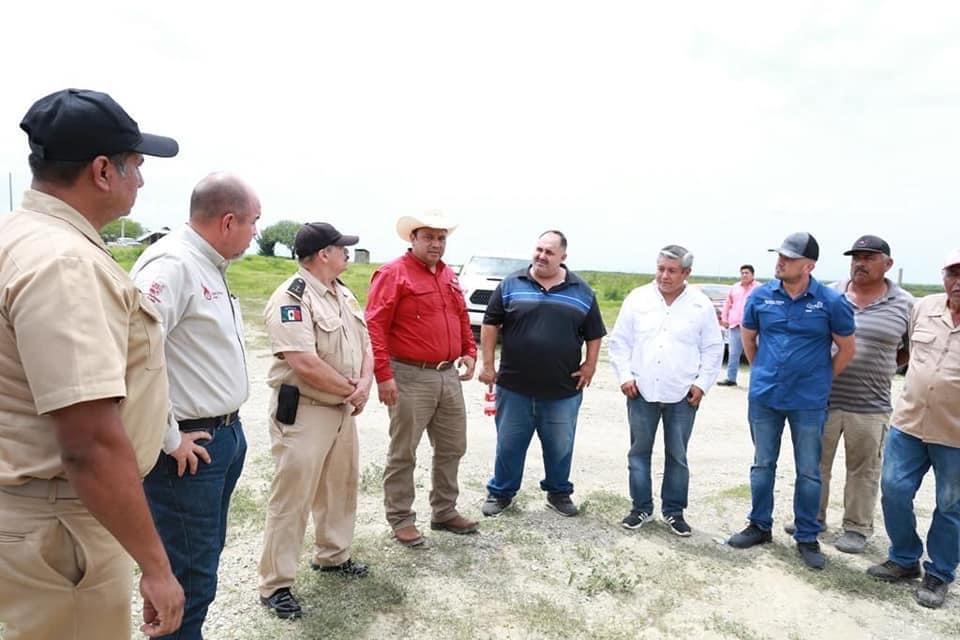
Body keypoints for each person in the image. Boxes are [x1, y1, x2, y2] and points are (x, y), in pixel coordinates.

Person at [0, 88, 183, 639]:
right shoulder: (65, 263)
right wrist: (155, 566)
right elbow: (89, 442)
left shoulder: (20, 235)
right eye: (137, 166)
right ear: (103, 170)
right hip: (59, 524)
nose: (143, 181)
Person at [130, 173, 260, 638]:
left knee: (199, 559)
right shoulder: (173, 264)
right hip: (189, 447)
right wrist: (169, 437)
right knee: (189, 576)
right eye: (253, 223)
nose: (255, 234)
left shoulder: (208, 263)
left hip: (222, 435)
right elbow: (133, 351)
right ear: (229, 221)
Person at [257, 222, 373, 618]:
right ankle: (276, 585)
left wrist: (363, 386)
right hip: (305, 410)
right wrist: (351, 389)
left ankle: (333, 556)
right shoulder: (293, 297)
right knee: (293, 499)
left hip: (341, 409)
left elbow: (366, 344)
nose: (347, 253)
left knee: (340, 487)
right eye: (342, 248)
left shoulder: (343, 293)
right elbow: (303, 362)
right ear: (324, 254)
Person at [727, 232, 855, 570]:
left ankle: (807, 536)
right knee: (762, 464)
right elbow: (749, 339)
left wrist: (820, 378)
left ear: (809, 265)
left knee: (809, 471)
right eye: (779, 255)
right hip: (765, 397)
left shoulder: (831, 301)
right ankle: (759, 525)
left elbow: (846, 349)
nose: (780, 262)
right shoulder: (761, 296)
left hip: (809, 401)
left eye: (790, 257)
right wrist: (764, 372)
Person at [365, 210, 478, 547]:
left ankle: (444, 511)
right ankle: (401, 518)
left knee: (452, 447)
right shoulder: (393, 274)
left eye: (441, 238)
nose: (436, 244)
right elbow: (374, 326)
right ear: (412, 239)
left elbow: (460, 315)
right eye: (428, 237)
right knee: (404, 452)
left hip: (447, 376)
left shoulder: (447, 275)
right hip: (409, 376)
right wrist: (383, 376)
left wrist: (469, 351)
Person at [477, 231, 606, 518]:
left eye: (549, 252)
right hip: (514, 386)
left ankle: (558, 493)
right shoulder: (511, 284)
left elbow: (594, 333)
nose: (542, 256)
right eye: (538, 249)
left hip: (562, 389)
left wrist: (590, 365)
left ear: (563, 257)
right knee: (509, 444)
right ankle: (501, 493)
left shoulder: (582, 291)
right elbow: (490, 323)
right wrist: (488, 365)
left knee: (560, 445)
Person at [865, 250, 960, 609]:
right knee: (893, 490)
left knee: (950, 505)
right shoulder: (923, 308)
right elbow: (903, 350)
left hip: (955, 434)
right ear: (944, 275)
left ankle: (939, 572)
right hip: (909, 423)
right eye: (953, 272)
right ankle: (905, 558)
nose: (958, 281)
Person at [608, 245, 723, 535]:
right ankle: (641, 508)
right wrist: (624, 376)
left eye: (672, 270)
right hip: (641, 391)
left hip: (683, 394)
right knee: (639, 452)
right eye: (660, 268)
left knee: (677, 455)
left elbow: (713, 347)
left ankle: (674, 511)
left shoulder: (700, 304)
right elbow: (619, 342)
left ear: (687, 273)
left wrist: (702, 384)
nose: (664, 275)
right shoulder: (638, 298)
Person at [811, 236, 912, 554]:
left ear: (888, 265)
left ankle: (856, 528)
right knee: (815, 465)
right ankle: (812, 519)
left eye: (869, 257)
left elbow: (909, 351)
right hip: (822, 400)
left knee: (864, 469)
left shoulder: (906, 305)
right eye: (856, 257)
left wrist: (881, 368)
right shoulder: (829, 294)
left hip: (871, 405)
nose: (860, 263)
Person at [716, 264, 759, 386]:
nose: (744, 275)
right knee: (733, 353)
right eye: (742, 273)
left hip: (752, 327)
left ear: (752, 275)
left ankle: (756, 380)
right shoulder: (734, 288)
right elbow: (727, 304)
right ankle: (731, 379)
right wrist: (724, 318)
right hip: (735, 326)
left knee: (754, 354)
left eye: (747, 273)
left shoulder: (758, 289)